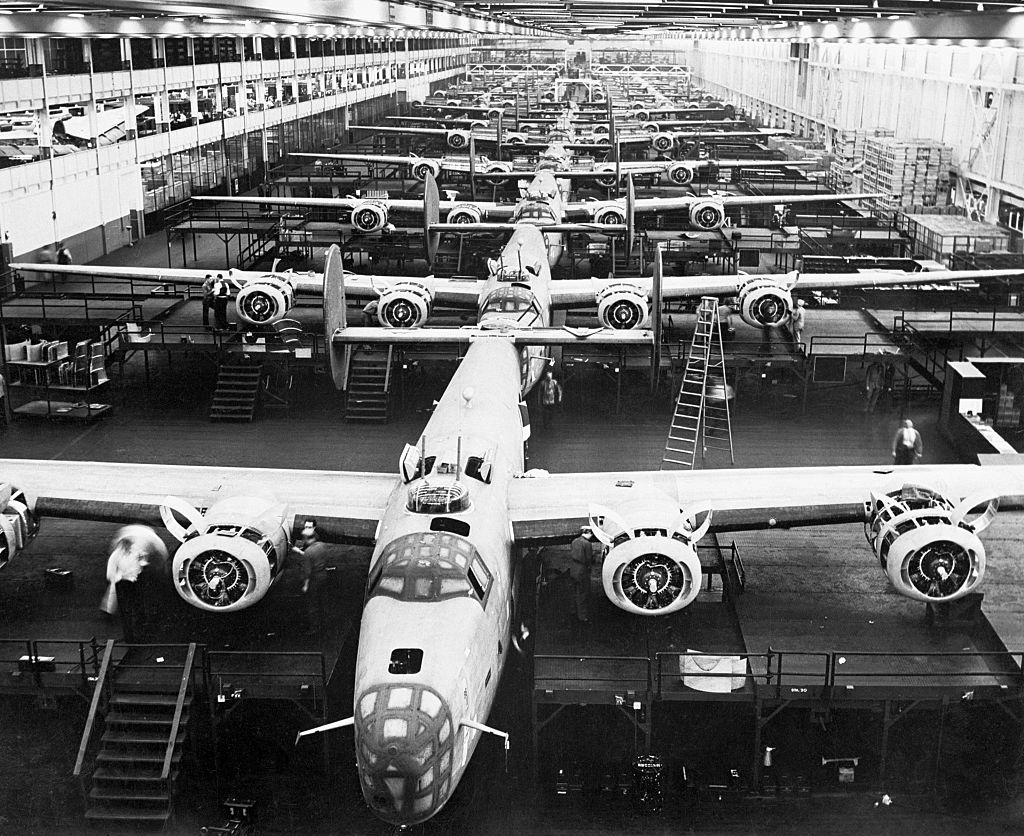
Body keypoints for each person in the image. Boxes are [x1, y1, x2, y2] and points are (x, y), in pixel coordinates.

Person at [292, 518, 329, 635]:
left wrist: (305, 585)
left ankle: (314, 628)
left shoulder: (308, 553)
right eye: (305, 527)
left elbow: (307, 572)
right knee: (320, 599)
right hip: (323, 574)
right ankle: (322, 622)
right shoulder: (322, 545)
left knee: (311, 603)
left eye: (309, 527)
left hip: (314, 578)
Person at [568, 527, 596, 623]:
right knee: (582, 593)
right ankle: (582, 616)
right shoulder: (587, 544)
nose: (591, 536)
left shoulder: (574, 541)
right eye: (591, 534)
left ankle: (572, 611)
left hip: (573, 569)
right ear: (587, 533)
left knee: (573, 591)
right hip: (582, 570)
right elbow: (588, 559)